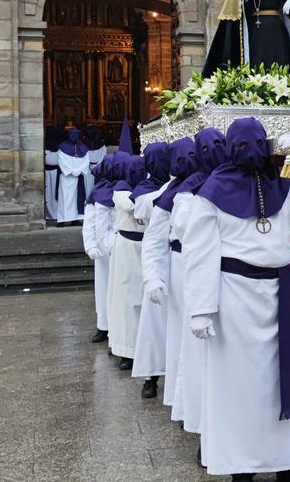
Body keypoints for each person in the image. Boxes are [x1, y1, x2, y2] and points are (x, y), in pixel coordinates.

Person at [183, 118, 290, 480]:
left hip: (279, 293)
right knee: (240, 385)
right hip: (235, 297)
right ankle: (242, 465)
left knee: (283, 380)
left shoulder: (282, 183)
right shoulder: (212, 192)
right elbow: (200, 252)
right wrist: (201, 310)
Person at [167, 128, 229, 434]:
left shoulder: (234, 181)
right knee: (196, 355)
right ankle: (198, 418)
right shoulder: (187, 193)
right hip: (199, 274)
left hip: (230, 280)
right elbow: (186, 231)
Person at [142, 138, 199, 425]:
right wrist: (153, 276)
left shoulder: (211, 183)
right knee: (179, 334)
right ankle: (182, 400)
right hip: (178, 266)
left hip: (206, 265)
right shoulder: (168, 192)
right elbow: (154, 239)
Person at [131, 142, 171, 399]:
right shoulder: (146, 190)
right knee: (154, 322)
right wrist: (172, 187)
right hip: (157, 260)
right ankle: (151, 376)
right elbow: (143, 208)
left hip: (178, 259)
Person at [108, 154, 147, 371]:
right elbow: (131, 205)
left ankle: (143, 347)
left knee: (144, 299)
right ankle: (126, 350)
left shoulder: (150, 187)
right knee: (126, 300)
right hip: (127, 247)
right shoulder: (120, 189)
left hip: (146, 246)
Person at [82, 154, 124, 345]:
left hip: (121, 247)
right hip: (102, 253)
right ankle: (103, 326)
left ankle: (118, 329)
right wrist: (90, 245)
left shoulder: (126, 189)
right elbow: (89, 223)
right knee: (103, 289)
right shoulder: (97, 192)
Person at [55, 127, 91, 226]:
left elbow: (86, 161)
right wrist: (72, 171)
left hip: (78, 177)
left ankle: (75, 219)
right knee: (65, 198)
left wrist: (79, 171)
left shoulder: (83, 148)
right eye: (72, 135)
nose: (73, 137)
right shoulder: (62, 147)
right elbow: (61, 162)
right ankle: (62, 219)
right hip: (67, 178)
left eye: (75, 135)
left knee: (77, 198)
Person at [43, 126, 63, 222]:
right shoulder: (59, 144)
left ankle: (52, 214)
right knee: (51, 193)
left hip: (53, 172)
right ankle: (52, 214)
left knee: (51, 194)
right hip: (52, 172)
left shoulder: (59, 145)